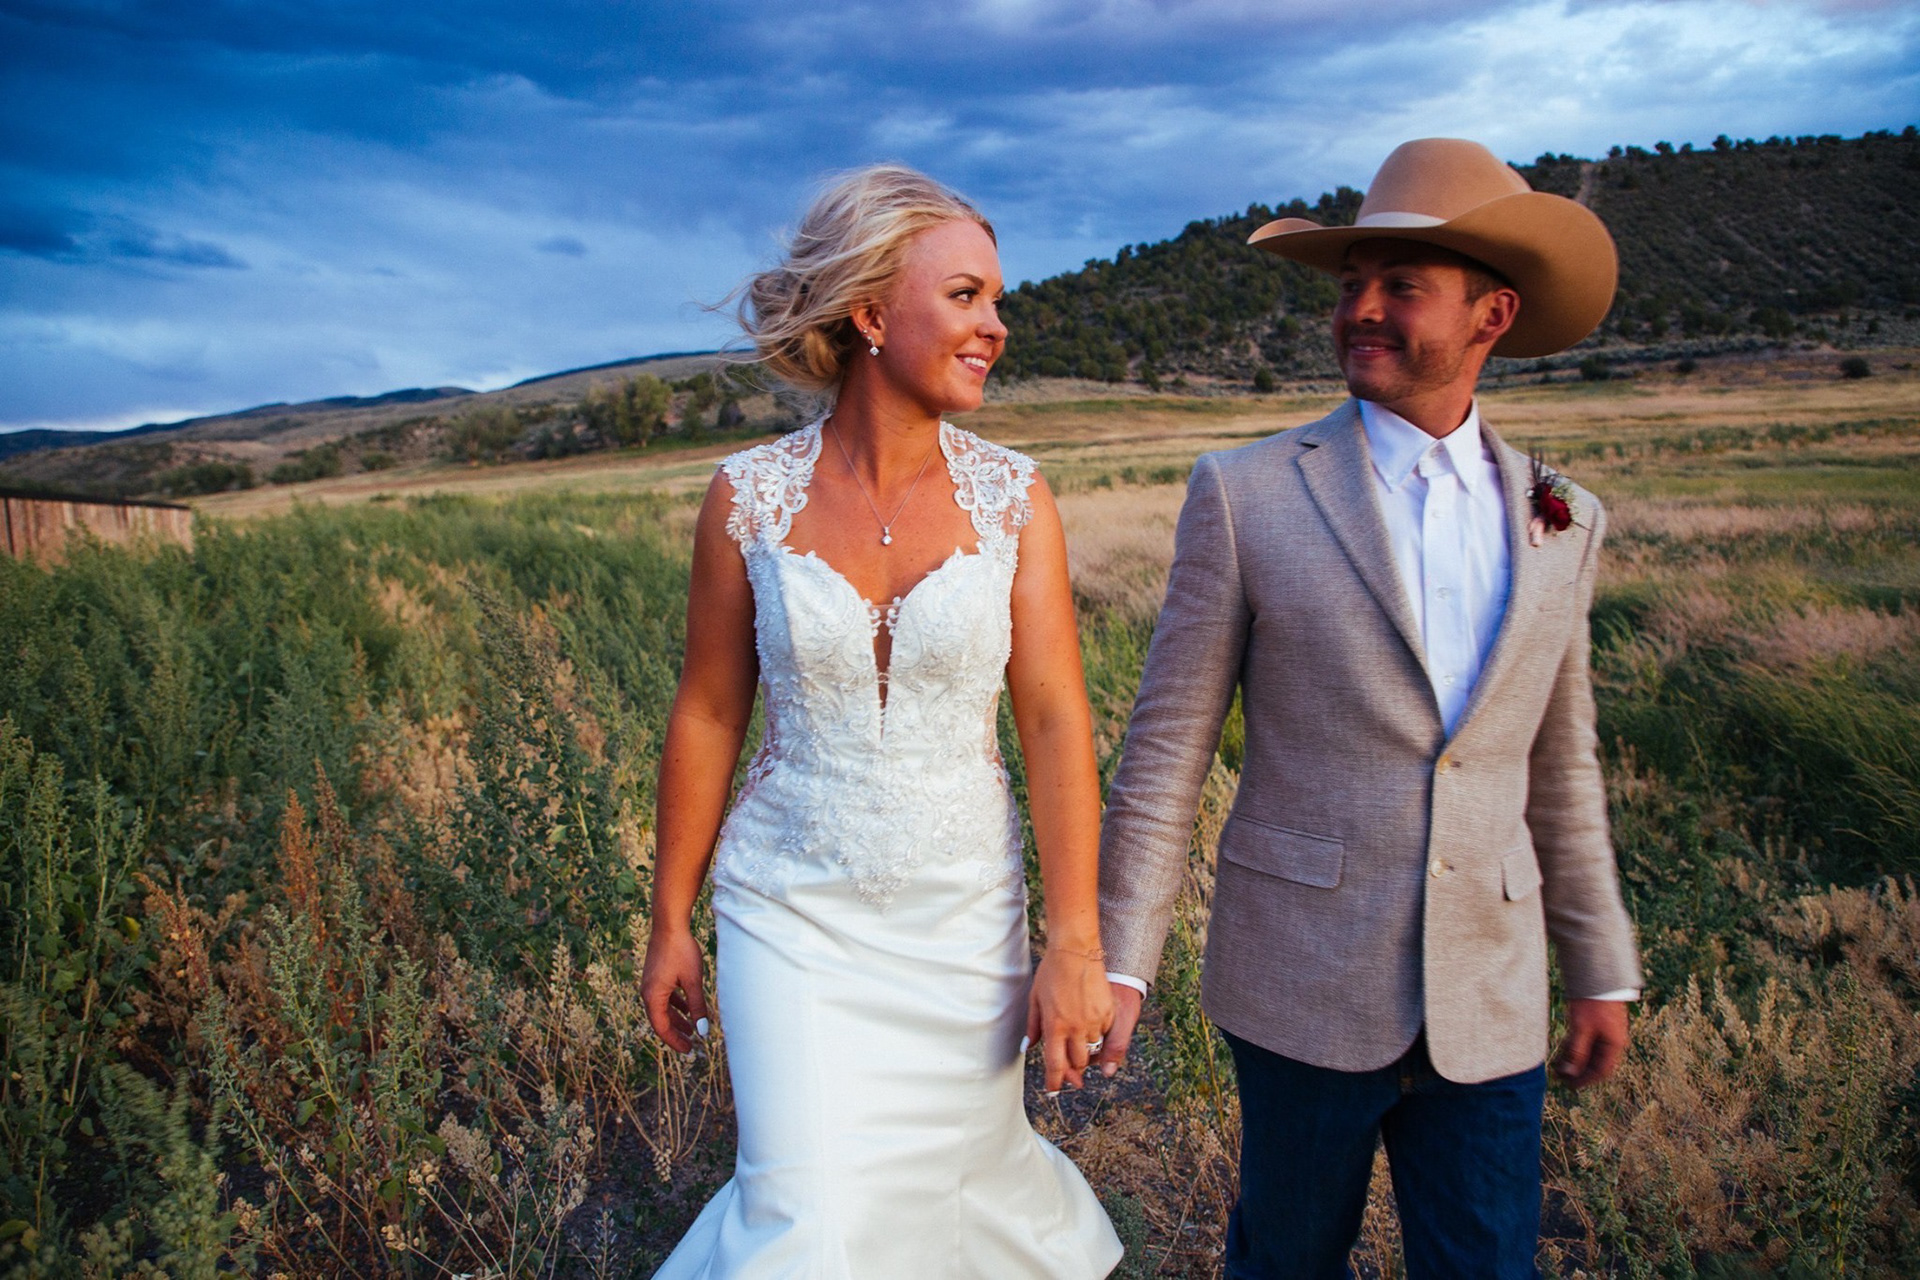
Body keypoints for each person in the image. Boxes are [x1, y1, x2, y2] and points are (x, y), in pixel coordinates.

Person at [1093, 138, 1644, 1278]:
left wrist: (1599, 963)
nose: (1362, 310)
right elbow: (1166, 751)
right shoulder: (1246, 494)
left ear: (1493, 315)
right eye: (1352, 285)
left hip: (1489, 991)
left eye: (1402, 285)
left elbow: (1561, 763)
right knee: (1286, 1261)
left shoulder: (1564, 518)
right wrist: (1122, 962)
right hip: (1301, 982)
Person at [643, 164, 1123, 1279]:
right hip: (790, 906)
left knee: (950, 1209)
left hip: (964, 916)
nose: (995, 326)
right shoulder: (748, 496)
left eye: (997, 300)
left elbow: (1056, 721)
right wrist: (670, 916)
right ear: (869, 313)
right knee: (803, 1215)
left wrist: (1075, 943)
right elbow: (708, 710)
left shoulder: (1016, 499)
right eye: (964, 296)